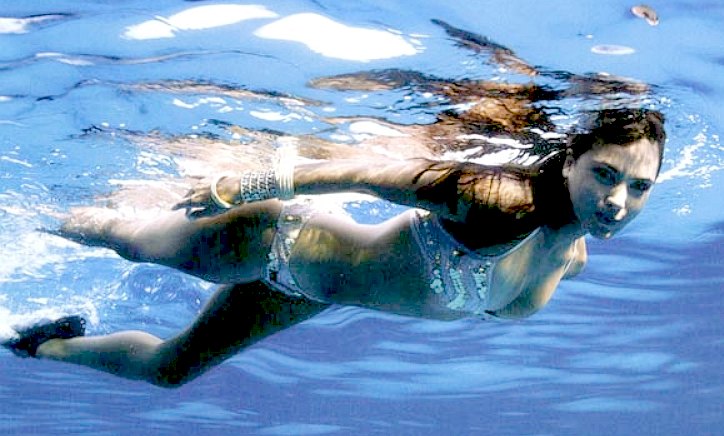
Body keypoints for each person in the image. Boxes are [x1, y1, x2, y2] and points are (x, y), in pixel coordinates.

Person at [2, 22, 666, 387]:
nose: (616, 200)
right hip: (276, 242)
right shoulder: (498, 201)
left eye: (638, 187)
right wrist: (242, 187)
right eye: (605, 175)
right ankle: (27, 214)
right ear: (569, 159)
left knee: (172, 370)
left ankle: (35, 346)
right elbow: (353, 168)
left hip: (309, 290)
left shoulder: (570, 259)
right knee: (120, 234)